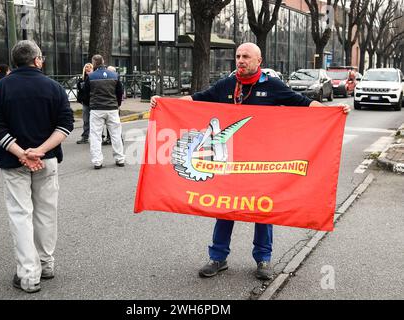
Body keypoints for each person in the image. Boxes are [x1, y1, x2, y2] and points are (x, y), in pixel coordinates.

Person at [150, 42, 351, 281]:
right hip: (230, 162)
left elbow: (304, 103)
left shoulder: (272, 86)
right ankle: (218, 258)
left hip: (260, 163)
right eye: (238, 56)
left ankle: (263, 260)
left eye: (246, 56)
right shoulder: (227, 84)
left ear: (259, 61)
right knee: (224, 208)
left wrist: (334, 110)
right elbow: (197, 99)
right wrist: (163, 103)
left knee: (263, 210)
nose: (240, 60)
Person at [0, 40, 74, 293]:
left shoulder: (0, 89)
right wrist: (40, 151)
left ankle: (28, 274)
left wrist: (21, 152)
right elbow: (66, 124)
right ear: (36, 60)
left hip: (13, 160)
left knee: (20, 216)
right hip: (46, 160)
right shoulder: (54, 88)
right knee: (46, 213)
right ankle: (46, 264)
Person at [84, 55, 125, 169]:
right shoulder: (114, 75)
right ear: (103, 62)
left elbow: (86, 94)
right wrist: (117, 104)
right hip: (112, 108)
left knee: (95, 136)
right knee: (116, 135)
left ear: (94, 63)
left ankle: (97, 161)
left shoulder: (91, 76)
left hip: (97, 109)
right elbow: (119, 92)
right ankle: (120, 158)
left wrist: (90, 104)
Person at [76, 62, 94, 144]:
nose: (88, 68)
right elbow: (80, 90)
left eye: (90, 67)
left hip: (94, 102)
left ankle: (100, 136)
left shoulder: (94, 78)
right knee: (86, 120)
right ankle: (85, 136)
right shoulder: (82, 79)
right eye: (86, 67)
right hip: (86, 103)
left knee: (96, 121)